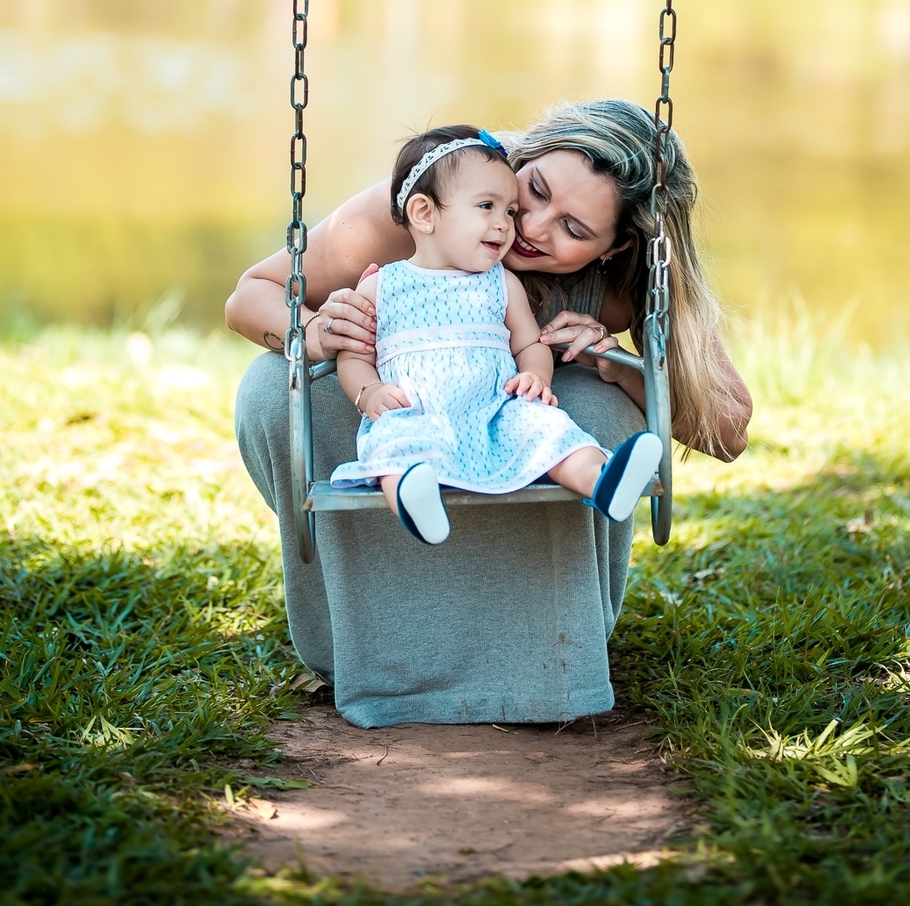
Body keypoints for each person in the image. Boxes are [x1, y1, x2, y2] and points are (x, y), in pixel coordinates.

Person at [228, 97, 752, 728]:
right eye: (533, 191)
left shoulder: (636, 272)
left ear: (615, 249)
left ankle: (549, 648)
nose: (530, 227)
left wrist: (617, 368)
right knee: (275, 389)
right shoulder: (437, 194)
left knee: (590, 409)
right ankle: (365, 641)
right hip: (410, 401)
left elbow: (728, 430)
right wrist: (316, 334)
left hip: (513, 416)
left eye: (575, 231)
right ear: (520, 160)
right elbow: (250, 295)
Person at [329, 126, 663, 543]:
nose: (508, 225)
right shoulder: (382, 284)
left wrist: (535, 377)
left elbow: (529, 343)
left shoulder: (501, 283)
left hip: (494, 408)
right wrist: (369, 392)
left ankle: (602, 480)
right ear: (424, 213)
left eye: (508, 210)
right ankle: (417, 503)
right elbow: (354, 354)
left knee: (548, 430)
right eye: (487, 206)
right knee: (397, 447)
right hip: (415, 408)